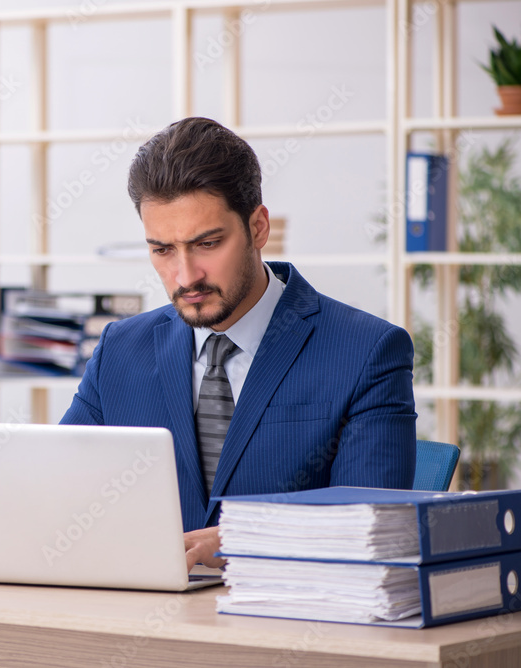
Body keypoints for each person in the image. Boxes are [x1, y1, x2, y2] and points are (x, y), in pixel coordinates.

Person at [60, 117, 416, 568]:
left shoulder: (367, 352)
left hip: (293, 625)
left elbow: (375, 525)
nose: (185, 277)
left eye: (207, 243)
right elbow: (60, 493)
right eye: (162, 250)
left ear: (258, 228)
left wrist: (239, 540)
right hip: (141, 616)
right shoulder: (120, 349)